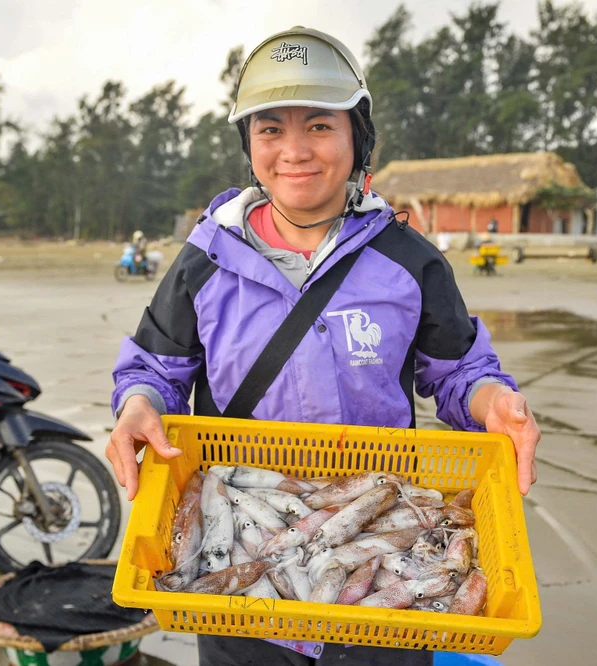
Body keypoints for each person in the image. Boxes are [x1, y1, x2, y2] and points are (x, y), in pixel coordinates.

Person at [106, 26, 541, 666]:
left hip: (379, 575)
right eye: (270, 130)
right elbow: (156, 366)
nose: (295, 151)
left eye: (318, 125)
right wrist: (139, 402)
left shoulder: (406, 260)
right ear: (249, 145)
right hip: (246, 591)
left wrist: (491, 399)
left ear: (356, 138)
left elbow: (457, 371)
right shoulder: (205, 259)